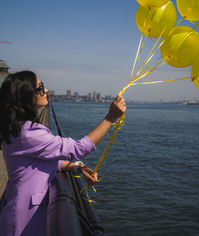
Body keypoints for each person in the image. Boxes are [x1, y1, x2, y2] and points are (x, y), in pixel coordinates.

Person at [0, 71, 126, 235]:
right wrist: (111, 117)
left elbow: (42, 161)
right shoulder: (28, 133)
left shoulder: (19, 129)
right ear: (26, 96)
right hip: (24, 222)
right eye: (40, 88)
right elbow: (78, 148)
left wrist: (78, 167)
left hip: (19, 213)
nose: (45, 91)